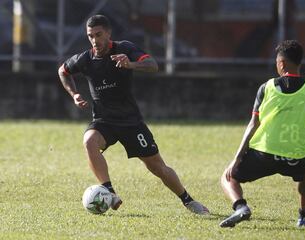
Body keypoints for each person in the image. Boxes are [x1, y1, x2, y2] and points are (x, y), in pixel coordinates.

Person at [58, 15, 209, 215]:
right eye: (90, 36)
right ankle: (109, 191)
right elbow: (63, 71)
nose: (95, 40)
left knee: (157, 167)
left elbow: (153, 65)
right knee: (89, 141)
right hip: (104, 121)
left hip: (130, 122)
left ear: (108, 33)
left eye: (99, 35)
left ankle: (188, 200)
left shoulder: (125, 48)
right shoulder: (85, 59)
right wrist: (75, 94)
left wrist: (131, 64)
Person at [219, 40, 305, 228]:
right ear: (300, 63)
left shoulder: (266, 87)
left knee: (228, 177)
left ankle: (240, 207)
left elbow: (253, 124)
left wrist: (237, 158)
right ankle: (304, 217)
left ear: (281, 64)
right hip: (295, 157)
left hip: (263, 153)